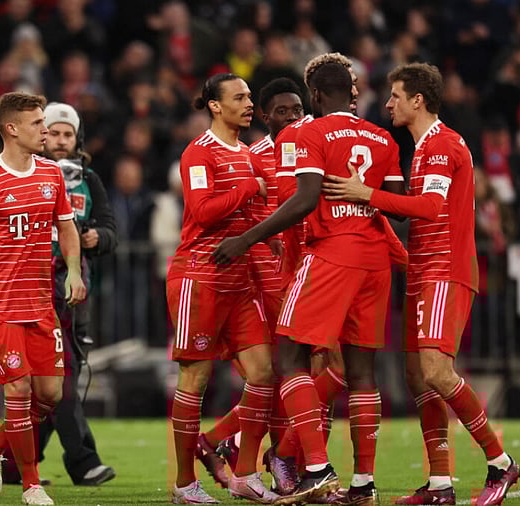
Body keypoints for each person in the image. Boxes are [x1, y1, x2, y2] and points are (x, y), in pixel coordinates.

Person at [322, 62, 520, 506]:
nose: (387, 103)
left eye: (395, 95)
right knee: (417, 378)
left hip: (445, 272)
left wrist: (366, 195)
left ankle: (501, 462)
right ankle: (440, 485)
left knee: (435, 371)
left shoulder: (440, 146)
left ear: (418, 99)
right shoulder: (425, 147)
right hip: (423, 272)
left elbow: (430, 208)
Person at [213, 61, 407, 505]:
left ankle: (315, 469)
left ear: (315, 97)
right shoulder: (382, 137)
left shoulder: (308, 134)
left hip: (331, 255)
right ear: (352, 93)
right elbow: (397, 205)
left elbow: (302, 201)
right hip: (374, 261)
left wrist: (245, 238)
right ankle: (364, 483)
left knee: (290, 357)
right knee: (361, 373)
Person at [0, 92, 87, 506]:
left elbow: (67, 227)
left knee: (50, 395)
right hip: (1, 309)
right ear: (12, 129)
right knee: (17, 391)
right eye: (38, 124)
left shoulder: (52, 175)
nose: (47, 131)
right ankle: (32, 485)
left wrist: (73, 271)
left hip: (41, 305)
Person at [167, 72, 279, 505]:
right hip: (201, 275)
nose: (249, 103)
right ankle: (183, 483)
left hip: (240, 279)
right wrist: (250, 186)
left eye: (250, 96)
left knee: (264, 373)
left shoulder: (251, 154)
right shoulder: (199, 154)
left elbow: (254, 219)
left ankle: (245, 473)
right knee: (195, 378)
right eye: (239, 97)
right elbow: (202, 210)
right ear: (215, 105)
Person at [193, 76, 305, 492]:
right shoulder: (254, 155)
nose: (292, 117)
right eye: (281, 111)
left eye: (297, 109)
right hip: (262, 274)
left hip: (298, 270)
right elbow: (242, 219)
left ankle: (225, 443)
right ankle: (281, 462)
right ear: (264, 116)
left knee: (291, 374)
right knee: (287, 372)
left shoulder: (311, 148)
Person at [29, 101, 118, 486]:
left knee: (62, 379)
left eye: (68, 133)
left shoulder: (89, 179)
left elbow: (111, 229)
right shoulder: (26, 174)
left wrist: (99, 237)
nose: (62, 141)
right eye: (55, 132)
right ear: (42, 135)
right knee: (59, 378)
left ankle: (16, 462)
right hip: (34, 289)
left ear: (77, 137)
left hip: (76, 292)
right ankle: (84, 462)